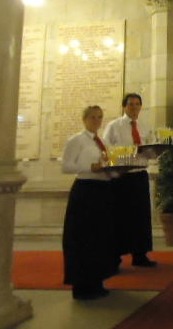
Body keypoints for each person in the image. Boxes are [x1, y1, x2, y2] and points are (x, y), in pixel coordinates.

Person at [62, 105, 117, 300]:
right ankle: (82, 285)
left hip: (102, 190)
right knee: (83, 238)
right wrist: (90, 167)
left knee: (100, 238)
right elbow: (66, 166)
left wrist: (117, 169)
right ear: (84, 119)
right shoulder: (76, 140)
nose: (96, 121)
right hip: (85, 192)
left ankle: (96, 281)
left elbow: (107, 165)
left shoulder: (102, 142)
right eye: (92, 117)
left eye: (99, 117)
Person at [103, 93, 156, 268]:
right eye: (131, 104)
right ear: (124, 107)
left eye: (137, 104)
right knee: (120, 217)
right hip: (122, 177)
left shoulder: (144, 126)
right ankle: (115, 257)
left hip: (139, 174)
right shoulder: (114, 126)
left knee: (141, 217)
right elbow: (106, 150)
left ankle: (140, 255)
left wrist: (154, 151)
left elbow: (150, 150)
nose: (134, 107)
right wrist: (125, 152)